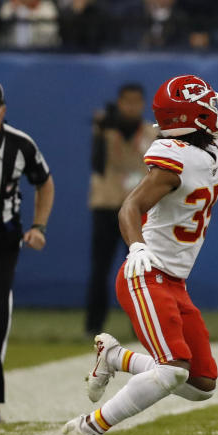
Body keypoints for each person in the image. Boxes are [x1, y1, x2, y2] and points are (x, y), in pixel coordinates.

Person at [62, 72, 218, 435]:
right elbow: (129, 207)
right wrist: (136, 247)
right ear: (188, 115)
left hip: (174, 283)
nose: (216, 111)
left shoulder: (215, 150)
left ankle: (115, 357)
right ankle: (89, 428)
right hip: (145, 275)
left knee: (201, 384)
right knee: (172, 370)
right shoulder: (173, 159)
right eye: (206, 105)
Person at [0, 81, 54, 423]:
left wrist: (39, 226)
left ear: (3, 110)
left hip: (2, 242)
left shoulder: (20, 145)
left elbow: (44, 181)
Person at [84, 84, 158, 336]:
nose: (131, 107)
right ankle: (93, 325)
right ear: (119, 102)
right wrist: (102, 128)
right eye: (126, 102)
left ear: (143, 104)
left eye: (136, 102)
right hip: (107, 204)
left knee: (140, 269)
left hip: (138, 208)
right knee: (100, 268)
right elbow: (97, 164)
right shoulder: (105, 130)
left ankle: (140, 327)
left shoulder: (150, 132)